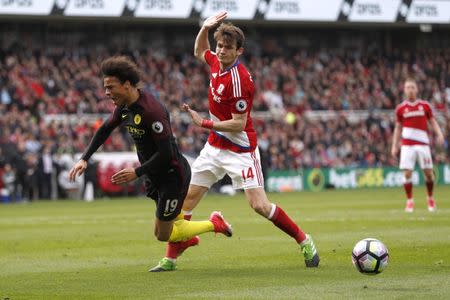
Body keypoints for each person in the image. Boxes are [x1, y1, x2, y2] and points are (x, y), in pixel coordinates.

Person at [151, 11, 319, 272]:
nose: (220, 51)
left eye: (227, 48)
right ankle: (172, 256)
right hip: (214, 147)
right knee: (185, 201)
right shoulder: (216, 62)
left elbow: (238, 123)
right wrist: (205, 28)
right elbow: (199, 51)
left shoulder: (240, 81)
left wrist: (204, 123)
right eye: (219, 46)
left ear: (238, 51)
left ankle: (304, 240)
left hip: (241, 150)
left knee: (259, 206)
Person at [68, 56, 233, 270]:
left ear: (127, 85)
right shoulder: (125, 106)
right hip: (153, 174)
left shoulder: (151, 111)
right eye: (105, 87)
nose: (106, 92)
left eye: (110, 87)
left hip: (172, 176)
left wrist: (136, 172)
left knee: (162, 235)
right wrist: (84, 158)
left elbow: (167, 153)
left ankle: (214, 224)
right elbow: (106, 128)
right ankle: (187, 240)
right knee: (167, 228)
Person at [391, 78, 445, 212]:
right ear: (404, 90)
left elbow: (432, 122)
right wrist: (394, 145)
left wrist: (439, 134)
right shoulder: (401, 108)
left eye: (412, 87)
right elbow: (398, 128)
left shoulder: (425, 106)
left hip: (422, 144)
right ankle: (410, 201)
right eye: (407, 87)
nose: (410, 90)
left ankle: (430, 198)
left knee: (428, 174)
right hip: (407, 145)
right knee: (407, 173)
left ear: (417, 89)